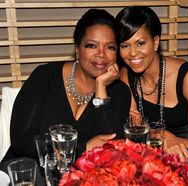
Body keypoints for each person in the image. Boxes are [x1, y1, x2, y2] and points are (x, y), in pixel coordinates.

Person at [2, 9, 131, 161]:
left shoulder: (119, 92)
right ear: (77, 49)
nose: (101, 54)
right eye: (91, 45)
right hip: (29, 173)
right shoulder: (45, 77)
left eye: (110, 47)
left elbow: (111, 152)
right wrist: (82, 149)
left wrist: (101, 87)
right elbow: (21, 141)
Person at [115, 6, 188, 162]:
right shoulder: (125, 76)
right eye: (125, 46)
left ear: (155, 43)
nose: (133, 53)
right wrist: (160, 136)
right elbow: (134, 133)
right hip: (151, 163)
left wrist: (171, 140)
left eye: (140, 43)